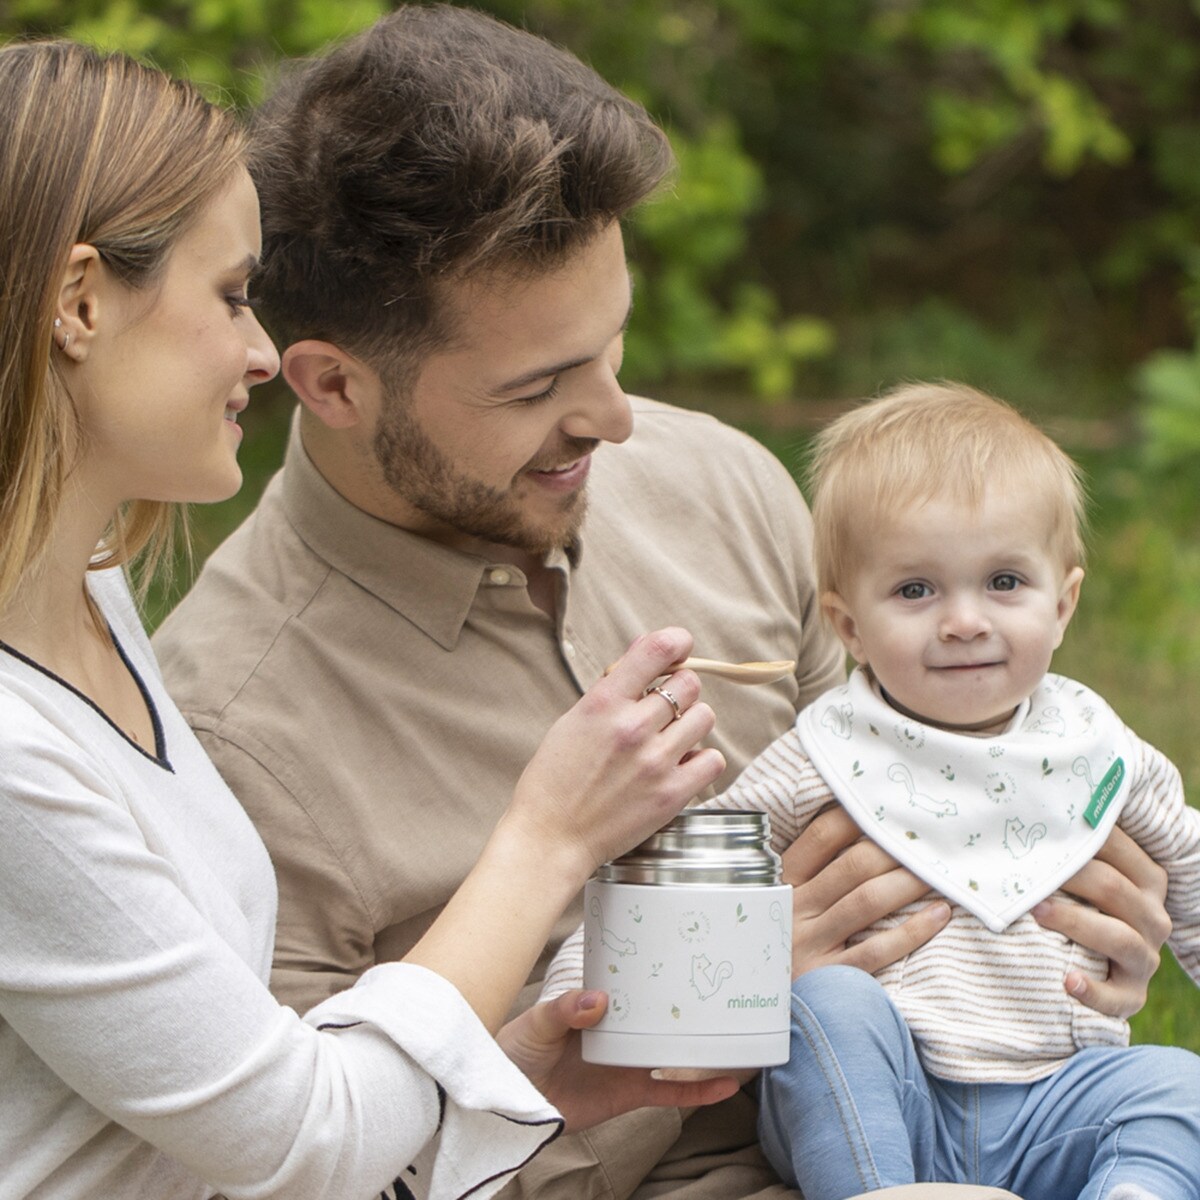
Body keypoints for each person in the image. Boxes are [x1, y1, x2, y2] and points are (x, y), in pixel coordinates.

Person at [152, 8, 1173, 1198]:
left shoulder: (722, 487)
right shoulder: (229, 736)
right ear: (332, 381)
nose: (617, 420)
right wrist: (700, 993)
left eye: (614, 347)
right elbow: (302, 1171)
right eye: (540, 385)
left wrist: (1074, 924)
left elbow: (920, 784)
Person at [0, 38, 745, 1200]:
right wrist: (548, 838)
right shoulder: (21, 750)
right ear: (81, 304)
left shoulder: (83, 596)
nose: (259, 350)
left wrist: (513, 1086)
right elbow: (303, 1144)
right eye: (233, 295)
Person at [657, 383, 1197, 1199]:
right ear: (847, 626)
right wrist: (591, 991)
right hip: (881, 1093)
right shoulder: (822, 756)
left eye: (1005, 581)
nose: (965, 621)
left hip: (1058, 1096)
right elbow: (692, 876)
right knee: (827, 1001)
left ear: (1066, 602)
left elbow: (1189, 865)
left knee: (1176, 1085)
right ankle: (880, 1192)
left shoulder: (1096, 753)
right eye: (916, 591)